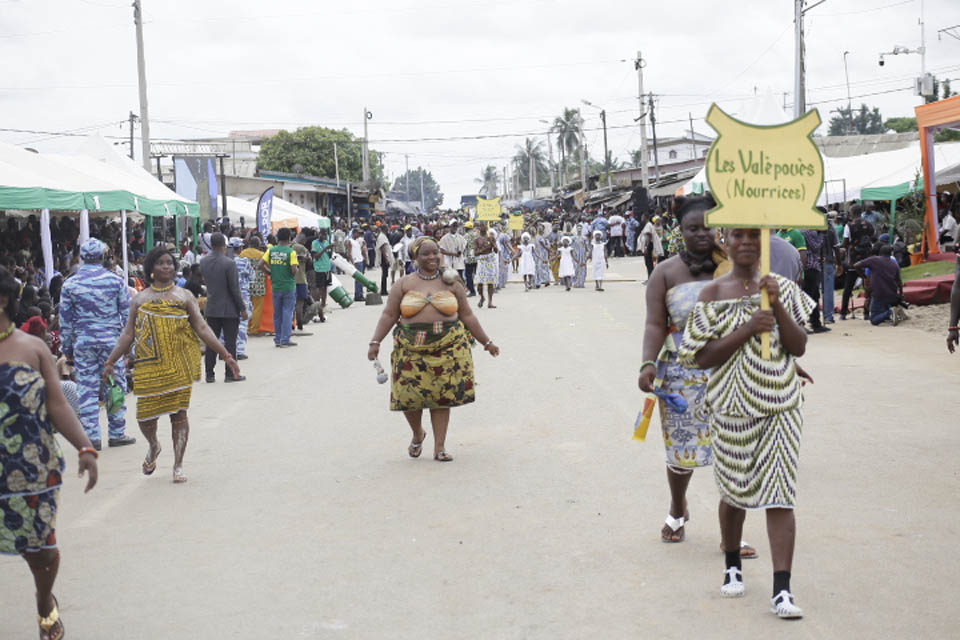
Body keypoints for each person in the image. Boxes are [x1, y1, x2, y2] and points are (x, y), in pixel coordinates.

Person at [679, 227, 815, 620]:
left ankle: (782, 589)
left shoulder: (783, 287)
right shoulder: (713, 293)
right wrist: (747, 328)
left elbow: (799, 345)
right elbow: (700, 358)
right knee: (734, 491)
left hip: (781, 405)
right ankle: (732, 563)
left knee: (780, 493)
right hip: (731, 407)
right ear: (727, 240)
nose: (745, 244)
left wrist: (776, 305)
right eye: (738, 236)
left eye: (753, 237)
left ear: (763, 243)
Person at [638, 196, 759, 553]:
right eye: (693, 228)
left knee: (735, 451)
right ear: (680, 231)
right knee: (681, 452)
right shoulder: (665, 273)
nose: (702, 234)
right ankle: (678, 508)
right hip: (680, 373)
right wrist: (647, 363)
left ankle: (731, 536)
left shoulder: (737, 268)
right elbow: (655, 323)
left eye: (708, 227)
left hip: (732, 371)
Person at [0, 265, 99, 640]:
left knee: (39, 548)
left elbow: (57, 405)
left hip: (30, 467)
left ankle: (44, 601)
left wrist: (85, 447)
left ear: (4, 300)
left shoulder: (33, 348)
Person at [104, 246, 240, 484]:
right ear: (151, 269)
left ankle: (178, 465)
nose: (166, 266)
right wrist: (111, 360)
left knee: (179, 414)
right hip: (148, 365)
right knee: (145, 417)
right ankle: (154, 445)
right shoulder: (140, 299)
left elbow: (202, 328)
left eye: (169, 263)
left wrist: (226, 354)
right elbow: (128, 335)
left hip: (179, 363)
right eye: (161, 263)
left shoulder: (184, 296)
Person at [367, 236, 499, 462]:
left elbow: (467, 315)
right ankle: (418, 433)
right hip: (410, 348)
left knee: (442, 397)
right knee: (409, 398)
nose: (432, 257)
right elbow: (389, 314)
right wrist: (375, 342)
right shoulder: (404, 284)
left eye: (436, 252)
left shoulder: (452, 282)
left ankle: (440, 446)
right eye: (426, 254)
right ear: (415, 258)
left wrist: (487, 342)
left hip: (448, 346)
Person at [59, 238, 135, 450]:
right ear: (103, 257)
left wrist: (67, 349)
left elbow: (65, 320)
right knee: (114, 386)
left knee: (87, 389)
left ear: (81, 257)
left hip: (83, 343)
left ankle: (92, 437)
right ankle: (117, 433)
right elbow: (127, 316)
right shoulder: (115, 281)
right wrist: (129, 346)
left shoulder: (70, 283)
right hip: (112, 343)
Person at [199, 233, 247, 382]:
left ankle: (209, 374)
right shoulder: (229, 263)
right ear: (224, 246)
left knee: (211, 342)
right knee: (230, 342)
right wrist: (243, 308)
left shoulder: (204, 261)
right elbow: (234, 288)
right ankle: (230, 373)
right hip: (229, 308)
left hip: (212, 306)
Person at [259, 227, 299, 348]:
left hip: (275, 286)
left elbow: (260, 264)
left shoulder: (271, 251)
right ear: (289, 238)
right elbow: (293, 270)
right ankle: (285, 339)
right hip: (288, 286)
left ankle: (278, 338)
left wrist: (270, 272)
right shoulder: (291, 252)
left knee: (277, 314)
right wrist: (296, 269)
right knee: (287, 312)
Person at [854, 245, 905, 326]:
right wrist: (901, 294)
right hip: (892, 295)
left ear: (880, 253)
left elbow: (856, 265)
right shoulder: (894, 264)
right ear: (891, 254)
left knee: (874, 320)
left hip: (878, 294)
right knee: (883, 309)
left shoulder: (874, 259)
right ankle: (892, 312)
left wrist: (864, 277)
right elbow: (899, 282)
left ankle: (889, 312)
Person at [840, 206, 876, 320]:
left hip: (854, 260)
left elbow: (845, 243)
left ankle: (843, 313)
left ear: (851, 212)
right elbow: (873, 238)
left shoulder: (849, 226)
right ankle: (866, 313)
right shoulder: (869, 225)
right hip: (867, 258)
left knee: (848, 287)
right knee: (868, 286)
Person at [800, 227, 829, 333]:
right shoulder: (807, 231)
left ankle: (815, 323)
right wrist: (821, 234)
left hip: (812, 266)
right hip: (809, 267)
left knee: (814, 296)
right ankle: (802, 323)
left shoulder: (807, 231)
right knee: (808, 297)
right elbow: (816, 247)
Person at [229, 238, 254, 358]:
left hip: (228, 295)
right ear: (240, 248)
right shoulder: (244, 261)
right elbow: (252, 276)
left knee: (227, 322)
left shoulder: (226, 261)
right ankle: (239, 350)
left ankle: (224, 349)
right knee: (243, 322)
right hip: (243, 294)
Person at [240, 237, 266, 336]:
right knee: (257, 308)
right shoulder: (261, 255)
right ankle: (253, 329)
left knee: (246, 307)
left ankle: (246, 327)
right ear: (258, 244)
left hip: (245, 284)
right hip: (259, 285)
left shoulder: (242, 254)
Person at [822, 211, 842, 324]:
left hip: (814, 264)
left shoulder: (810, 228)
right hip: (828, 262)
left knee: (814, 291)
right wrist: (839, 263)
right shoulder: (830, 229)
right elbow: (837, 248)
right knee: (828, 290)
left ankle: (813, 317)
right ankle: (828, 316)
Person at [311, 229, 334, 323]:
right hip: (319, 269)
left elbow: (329, 255)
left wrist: (331, 248)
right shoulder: (315, 243)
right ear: (319, 234)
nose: (323, 237)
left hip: (327, 268)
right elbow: (316, 256)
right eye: (322, 235)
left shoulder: (326, 242)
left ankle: (323, 305)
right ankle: (318, 306)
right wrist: (325, 248)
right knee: (319, 288)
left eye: (325, 235)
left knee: (325, 288)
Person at [474, 223, 498, 308]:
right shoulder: (477, 240)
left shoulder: (491, 238)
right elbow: (475, 253)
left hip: (490, 261)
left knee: (490, 282)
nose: (483, 227)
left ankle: (490, 302)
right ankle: (482, 297)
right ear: (479, 228)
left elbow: (496, 250)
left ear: (487, 228)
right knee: (479, 283)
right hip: (482, 261)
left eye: (484, 226)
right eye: (481, 226)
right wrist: (484, 249)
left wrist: (493, 244)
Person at [639, 215, 664, 283]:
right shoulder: (649, 225)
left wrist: (646, 247)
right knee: (648, 263)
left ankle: (651, 279)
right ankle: (650, 278)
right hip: (649, 246)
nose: (641, 218)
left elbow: (649, 236)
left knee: (649, 263)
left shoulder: (648, 225)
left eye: (642, 217)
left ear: (646, 218)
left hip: (649, 246)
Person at [346, 228, 367, 302]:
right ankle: (358, 295)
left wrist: (363, 247)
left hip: (360, 260)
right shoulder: (350, 241)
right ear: (354, 233)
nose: (359, 235)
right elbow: (349, 253)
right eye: (357, 233)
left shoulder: (357, 241)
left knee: (361, 279)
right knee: (358, 279)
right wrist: (353, 263)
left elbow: (359, 251)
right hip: (356, 262)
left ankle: (360, 294)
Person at [375, 225, 394, 295]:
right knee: (384, 275)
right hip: (384, 258)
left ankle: (384, 289)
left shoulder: (383, 236)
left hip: (385, 257)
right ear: (385, 229)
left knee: (385, 274)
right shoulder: (382, 237)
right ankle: (383, 290)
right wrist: (386, 259)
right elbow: (382, 248)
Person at [462, 222, 478, 296]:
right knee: (477, 273)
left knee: (468, 275)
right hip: (477, 257)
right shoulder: (477, 234)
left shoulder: (465, 236)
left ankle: (472, 291)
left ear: (466, 228)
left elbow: (463, 247)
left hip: (469, 258)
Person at [571, 224, 589, 288]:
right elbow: (571, 247)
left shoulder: (584, 238)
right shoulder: (573, 238)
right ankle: (575, 282)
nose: (579, 229)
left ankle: (581, 283)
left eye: (580, 228)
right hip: (575, 254)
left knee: (583, 269)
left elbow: (587, 248)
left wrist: (587, 256)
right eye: (578, 228)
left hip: (582, 255)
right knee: (575, 268)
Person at [497, 224, 513, 290]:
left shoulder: (500, 235)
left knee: (501, 268)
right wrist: (511, 250)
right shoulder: (504, 235)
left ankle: (501, 283)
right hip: (503, 252)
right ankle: (502, 283)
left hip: (501, 252)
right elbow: (507, 244)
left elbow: (507, 244)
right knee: (503, 269)